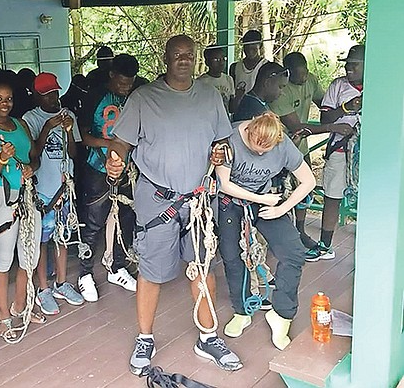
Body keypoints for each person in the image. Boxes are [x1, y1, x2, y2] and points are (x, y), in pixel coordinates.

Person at [106, 35, 242, 375]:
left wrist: (220, 152)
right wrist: (115, 159)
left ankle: (208, 338)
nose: (183, 60)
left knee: (202, 269)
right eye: (177, 54)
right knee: (151, 273)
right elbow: (121, 142)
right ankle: (145, 338)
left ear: (195, 59)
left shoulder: (210, 97)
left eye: (188, 55)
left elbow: (222, 139)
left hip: (197, 200)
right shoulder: (144, 98)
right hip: (157, 200)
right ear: (165, 58)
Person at [215, 112, 314, 350]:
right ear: (248, 131)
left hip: (267, 199)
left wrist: (282, 208)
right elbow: (225, 184)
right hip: (232, 199)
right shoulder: (230, 137)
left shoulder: (283, 144)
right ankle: (242, 309)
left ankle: (281, 315)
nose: (259, 153)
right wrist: (261, 199)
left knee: (294, 252)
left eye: (266, 150)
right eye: (255, 146)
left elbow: (308, 180)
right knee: (231, 256)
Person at [0, 70, 45, 340]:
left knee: (30, 256)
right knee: (3, 261)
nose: (4, 103)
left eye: (9, 98)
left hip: (27, 197)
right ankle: (3, 315)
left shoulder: (21, 125)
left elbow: (35, 158)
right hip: (0, 200)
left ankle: (21, 305)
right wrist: (2, 159)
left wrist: (29, 168)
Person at [269, 52, 353, 249]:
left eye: (305, 73)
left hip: (301, 146)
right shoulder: (281, 91)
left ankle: (300, 230)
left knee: (304, 188)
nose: (304, 78)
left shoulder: (312, 80)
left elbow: (325, 107)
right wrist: (332, 128)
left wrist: (336, 112)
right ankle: (276, 235)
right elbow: (296, 126)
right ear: (288, 74)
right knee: (278, 191)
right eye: (299, 76)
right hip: (279, 148)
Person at [77, 54, 139, 302]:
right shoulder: (95, 96)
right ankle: (85, 274)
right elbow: (82, 136)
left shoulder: (136, 96)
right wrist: (110, 145)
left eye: (130, 83)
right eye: (122, 83)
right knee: (93, 222)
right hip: (97, 167)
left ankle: (117, 267)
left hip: (128, 169)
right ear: (112, 75)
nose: (126, 87)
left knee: (126, 217)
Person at [23, 72, 85, 315]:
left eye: (55, 92)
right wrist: (48, 127)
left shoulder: (68, 115)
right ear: (38, 95)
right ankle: (43, 289)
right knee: (42, 239)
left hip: (64, 188)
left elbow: (74, 153)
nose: (52, 98)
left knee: (62, 236)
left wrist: (68, 130)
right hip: (43, 191)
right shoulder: (31, 118)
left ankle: (61, 283)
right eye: (47, 94)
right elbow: (33, 155)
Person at [306, 45, 364, 262]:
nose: (349, 70)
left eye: (354, 66)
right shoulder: (338, 86)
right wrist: (347, 108)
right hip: (340, 147)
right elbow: (325, 119)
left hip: (367, 152)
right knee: (332, 197)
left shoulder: (378, 83)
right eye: (347, 65)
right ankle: (324, 245)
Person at [230, 30, 268, 110]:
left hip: (259, 110)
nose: (250, 51)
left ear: (260, 46)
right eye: (247, 47)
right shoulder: (235, 67)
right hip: (240, 110)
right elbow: (232, 93)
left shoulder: (266, 66)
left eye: (253, 47)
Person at [198, 45, 235, 113]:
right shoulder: (201, 82)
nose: (221, 63)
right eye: (216, 60)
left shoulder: (228, 79)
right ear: (207, 62)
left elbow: (231, 109)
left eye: (223, 59)